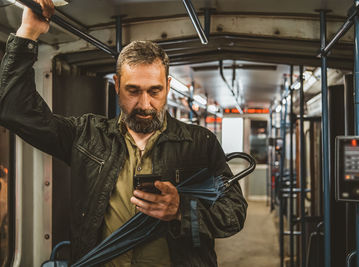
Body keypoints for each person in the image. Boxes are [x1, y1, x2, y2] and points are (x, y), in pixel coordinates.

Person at [0, 0, 247, 266]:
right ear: (117, 85)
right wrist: (28, 32)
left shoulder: (200, 143)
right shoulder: (87, 136)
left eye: (154, 91)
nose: (144, 104)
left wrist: (181, 211)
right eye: (133, 91)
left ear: (168, 86)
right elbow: (15, 110)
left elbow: (234, 213)